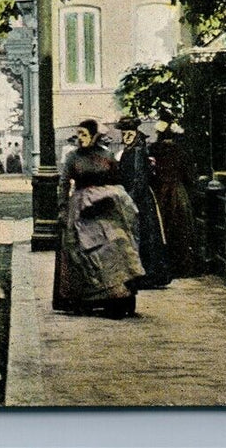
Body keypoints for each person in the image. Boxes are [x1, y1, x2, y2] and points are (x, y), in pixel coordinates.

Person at [53, 119, 146, 317]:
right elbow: (63, 184)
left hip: (104, 207)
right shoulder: (72, 157)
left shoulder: (107, 155)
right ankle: (85, 299)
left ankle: (116, 297)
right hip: (80, 208)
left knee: (116, 242)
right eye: (78, 134)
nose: (80, 138)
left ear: (94, 136)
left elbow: (117, 180)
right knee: (82, 249)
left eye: (84, 134)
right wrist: (62, 209)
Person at [115, 117, 171, 288]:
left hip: (140, 199)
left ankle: (149, 274)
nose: (126, 137)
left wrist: (129, 199)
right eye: (124, 134)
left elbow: (138, 178)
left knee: (145, 234)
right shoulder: (132, 149)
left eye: (129, 134)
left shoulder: (137, 151)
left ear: (136, 133)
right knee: (145, 234)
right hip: (138, 197)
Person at [150, 110, 199, 276]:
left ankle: (168, 265)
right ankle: (182, 266)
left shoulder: (155, 149)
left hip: (162, 192)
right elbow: (189, 175)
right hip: (178, 192)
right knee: (181, 227)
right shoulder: (181, 149)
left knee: (165, 226)